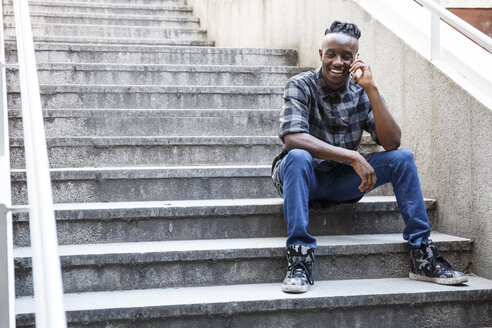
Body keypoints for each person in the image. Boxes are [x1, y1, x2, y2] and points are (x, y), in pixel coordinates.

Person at [271, 20, 468, 293]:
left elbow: (392, 142)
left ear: (355, 60)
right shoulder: (300, 85)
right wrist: (352, 156)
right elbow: (293, 139)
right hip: (304, 179)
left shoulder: (361, 92)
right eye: (331, 54)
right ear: (321, 54)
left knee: (402, 158)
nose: (338, 62)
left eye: (346, 57)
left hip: (341, 182)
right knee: (298, 157)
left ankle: (422, 256)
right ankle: (299, 259)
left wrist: (372, 89)